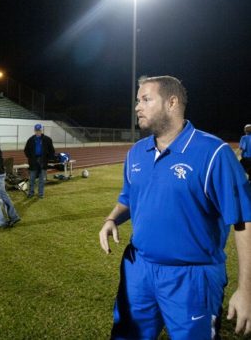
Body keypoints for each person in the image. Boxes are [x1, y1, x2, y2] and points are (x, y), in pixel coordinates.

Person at [98, 75, 251, 339]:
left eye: (146, 99)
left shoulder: (214, 153)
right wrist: (112, 219)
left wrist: (246, 290)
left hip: (192, 277)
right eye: (137, 101)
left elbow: (244, 221)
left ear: (172, 102)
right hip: (139, 270)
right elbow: (129, 198)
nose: (137, 107)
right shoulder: (136, 152)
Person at [24, 124, 55, 199]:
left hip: (43, 161)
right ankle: (31, 193)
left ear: (42, 130)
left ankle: (40, 194)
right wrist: (31, 158)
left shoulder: (47, 139)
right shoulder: (30, 139)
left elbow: (52, 151)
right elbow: (26, 150)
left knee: (41, 179)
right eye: (37, 130)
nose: (38, 132)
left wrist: (47, 159)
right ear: (34, 130)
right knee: (32, 178)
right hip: (33, 161)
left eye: (39, 130)